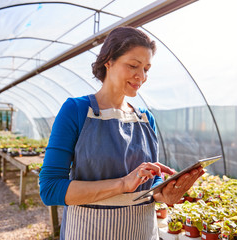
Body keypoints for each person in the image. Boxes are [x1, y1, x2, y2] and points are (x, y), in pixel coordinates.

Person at [39, 26, 204, 240]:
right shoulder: (76, 111)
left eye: (146, 68)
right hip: (89, 232)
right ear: (109, 61)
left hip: (142, 232)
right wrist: (122, 184)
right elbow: (50, 189)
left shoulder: (145, 118)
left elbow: (149, 181)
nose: (141, 76)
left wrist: (163, 193)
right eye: (133, 65)